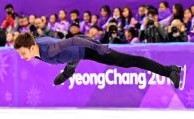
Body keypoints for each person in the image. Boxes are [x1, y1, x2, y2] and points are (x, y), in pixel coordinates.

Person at [14, 32, 181, 89]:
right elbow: (32, 37)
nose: (22, 57)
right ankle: (68, 73)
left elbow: (73, 41)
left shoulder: (50, 49)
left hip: (86, 49)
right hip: (74, 55)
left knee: (130, 61)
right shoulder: (34, 46)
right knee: (71, 62)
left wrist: (98, 48)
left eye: (23, 53)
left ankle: (170, 70)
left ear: (31, 47)